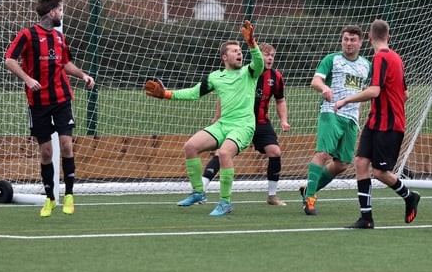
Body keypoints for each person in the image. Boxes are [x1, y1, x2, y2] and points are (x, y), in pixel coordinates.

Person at [144, 21, 263, 216]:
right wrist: (167, 94)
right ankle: (199, 192)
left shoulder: (249, 72)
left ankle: (225, 203)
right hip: (223, 124)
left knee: (224, 154)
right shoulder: (216, 77)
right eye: (234, 51)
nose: (239, 53)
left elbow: (258, 62)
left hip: (243, 126)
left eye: (240, 50)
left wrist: (252, 44)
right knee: (191, 146)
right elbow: (194, 93)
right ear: (225, 57)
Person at [4, 0, 95, 217]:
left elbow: (65, 64)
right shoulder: (27, 35)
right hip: (38, 103)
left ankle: (70, 195)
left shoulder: (60, 38)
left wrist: (82, 75)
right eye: (61, 10)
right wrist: (27, 78)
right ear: (52, 12)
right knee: (46, 152)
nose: (62, 14)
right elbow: (9, 60)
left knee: (66, 145)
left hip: (62, 99)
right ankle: (50, 198)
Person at [334, 19, 420, 229]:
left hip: (389, 124)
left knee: (380, 172)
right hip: (377, 121)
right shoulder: (396, 58)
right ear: (388, 37)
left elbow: (375, 91)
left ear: (370, 37)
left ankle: (410, 197)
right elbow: (405, 94)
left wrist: (346, 100)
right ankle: (366, 218)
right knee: (361, 163)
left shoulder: (381, 58)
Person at [199, 43, 291, 206]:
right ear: (258, 56)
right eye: (266, 55)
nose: (270, 58)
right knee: (222, 153)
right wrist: (218, 117)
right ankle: (200, 191)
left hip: (261, 122)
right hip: (238, 121)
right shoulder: (244, 73)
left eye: (272, 55)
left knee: (275, 152)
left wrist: (283, 120)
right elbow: (224, 94)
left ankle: (272, 196)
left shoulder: (276, 77)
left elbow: (280, 100)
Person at [301, 25, 371, 216]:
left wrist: (359, 118)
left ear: (360, 43)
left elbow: (364, 94)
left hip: (351, 118)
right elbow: (315, 81)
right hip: (331, 112)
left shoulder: (366, 65)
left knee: (341, 164)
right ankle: (309, 199)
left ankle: (308, 189)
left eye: (353, 40)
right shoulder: (333, 59)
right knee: (323, 153)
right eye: (346, 39)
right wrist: (324, 88)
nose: (348, 43)